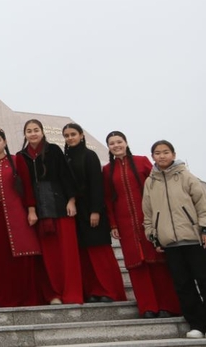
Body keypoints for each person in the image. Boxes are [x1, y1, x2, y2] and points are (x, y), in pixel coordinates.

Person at [143, 140, 206, 340]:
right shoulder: (150, 182)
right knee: (183, 285)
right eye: (157, 153)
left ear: (173, 154)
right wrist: (154, 236)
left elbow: (202, 205)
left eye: (165, 152)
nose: (162, 156)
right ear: (152, 156)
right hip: (170, 244)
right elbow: (147, 213)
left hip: (194, 239)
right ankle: (196, 324)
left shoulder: (186, 176)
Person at [103, 131, 179, 319]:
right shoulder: (106, 170)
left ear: (126, 142)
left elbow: (156, 187)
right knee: (136, 266)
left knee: (158, 262)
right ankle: (147, 306)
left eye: (119, 141)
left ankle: (167, 305)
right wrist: (113, 224)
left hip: (148, 219)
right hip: (125, 222)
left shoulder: (141, 161)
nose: (116, 145)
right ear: (109, 147)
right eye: (112, 143)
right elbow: (108, 199)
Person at [18, 119, 82, 305]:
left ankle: (71, 293)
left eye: (36, 130)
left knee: (67, 254)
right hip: (38, 210)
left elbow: (66, 175)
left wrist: (71, 200)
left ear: (42, 131)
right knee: (48, 257)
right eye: (29, 131)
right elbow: (25, 186)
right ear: (25, 134)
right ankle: (53, 294)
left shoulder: (53, 150)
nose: (33, 134)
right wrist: (31, 210)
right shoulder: (22, 156)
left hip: (60, 205)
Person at [62, 123, 126, 304]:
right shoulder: (66, 158)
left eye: (73, 134)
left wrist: (96, 211)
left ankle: (109, 290)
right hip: (76, 212)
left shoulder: (89, 156)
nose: (70, 138)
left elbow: (97, 185)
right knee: (84, 254)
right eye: (66, 135)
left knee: (99, 253)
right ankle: (92, 291)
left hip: (92, 209)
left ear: (81, 135)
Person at [0, 127, 45, 307]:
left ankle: (26, 298)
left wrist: (32, 210)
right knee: (0, 258)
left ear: (5, 142)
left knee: (22, 254)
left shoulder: (17, 161)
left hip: (17, 215)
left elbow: (28, 186)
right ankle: (4, 299)